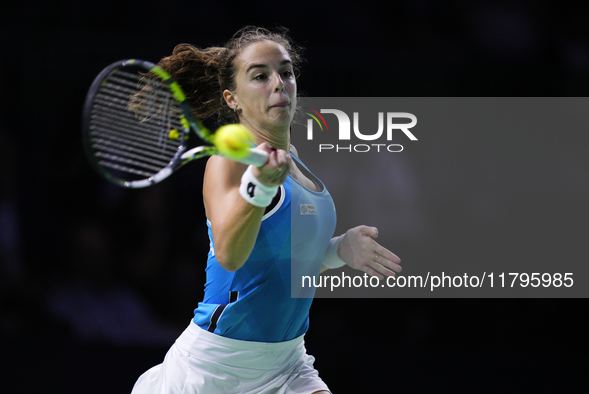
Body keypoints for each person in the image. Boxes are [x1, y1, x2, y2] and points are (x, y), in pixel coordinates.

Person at [131, 26, 401, 394]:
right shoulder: (229, 162)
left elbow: (279, 265)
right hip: (216, 368)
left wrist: (338, 251)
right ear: (232, 99)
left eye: (285, 72)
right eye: (260, 76)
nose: (278, 83)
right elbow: (229, 254)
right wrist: (258, 189)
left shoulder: (299, 165)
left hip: (288, 362)